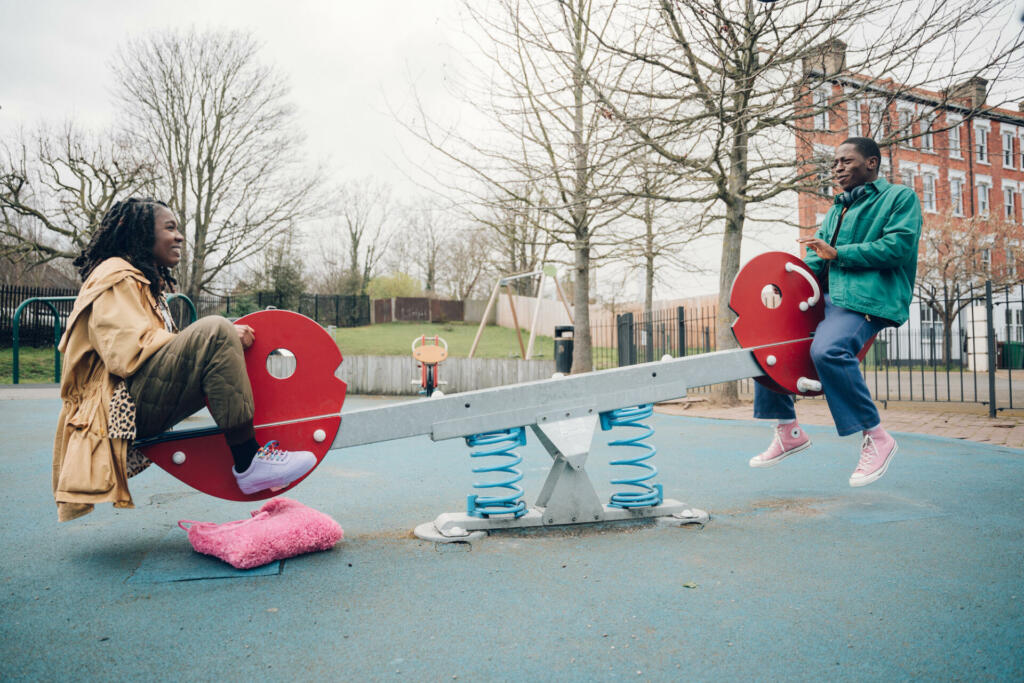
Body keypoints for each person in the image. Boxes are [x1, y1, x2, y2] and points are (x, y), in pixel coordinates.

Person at [52, 198, 316, 522]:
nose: (179, 237)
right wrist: (219, 336)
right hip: (117, 407)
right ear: (142, 234)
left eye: (179, 229)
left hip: (135, 398)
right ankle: (248, 461)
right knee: (216, 330)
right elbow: (126, 353)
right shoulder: (115, 277)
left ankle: (252, 453)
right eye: (170, 228)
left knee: (218, 335)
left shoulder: (142, 281)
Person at [748, 137, 922, 487]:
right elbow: (815, 260)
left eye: (846, 161)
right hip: (828, 297)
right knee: (767, 341)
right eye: (834, 163)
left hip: (867, 299)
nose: (837, 168)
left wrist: (839, 255)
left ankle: (876, 435)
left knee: (828, 350)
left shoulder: (899, 198)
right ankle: (787, 430)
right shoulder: (837, 209)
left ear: (872, 163)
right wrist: (779, 287)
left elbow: (899, 247)